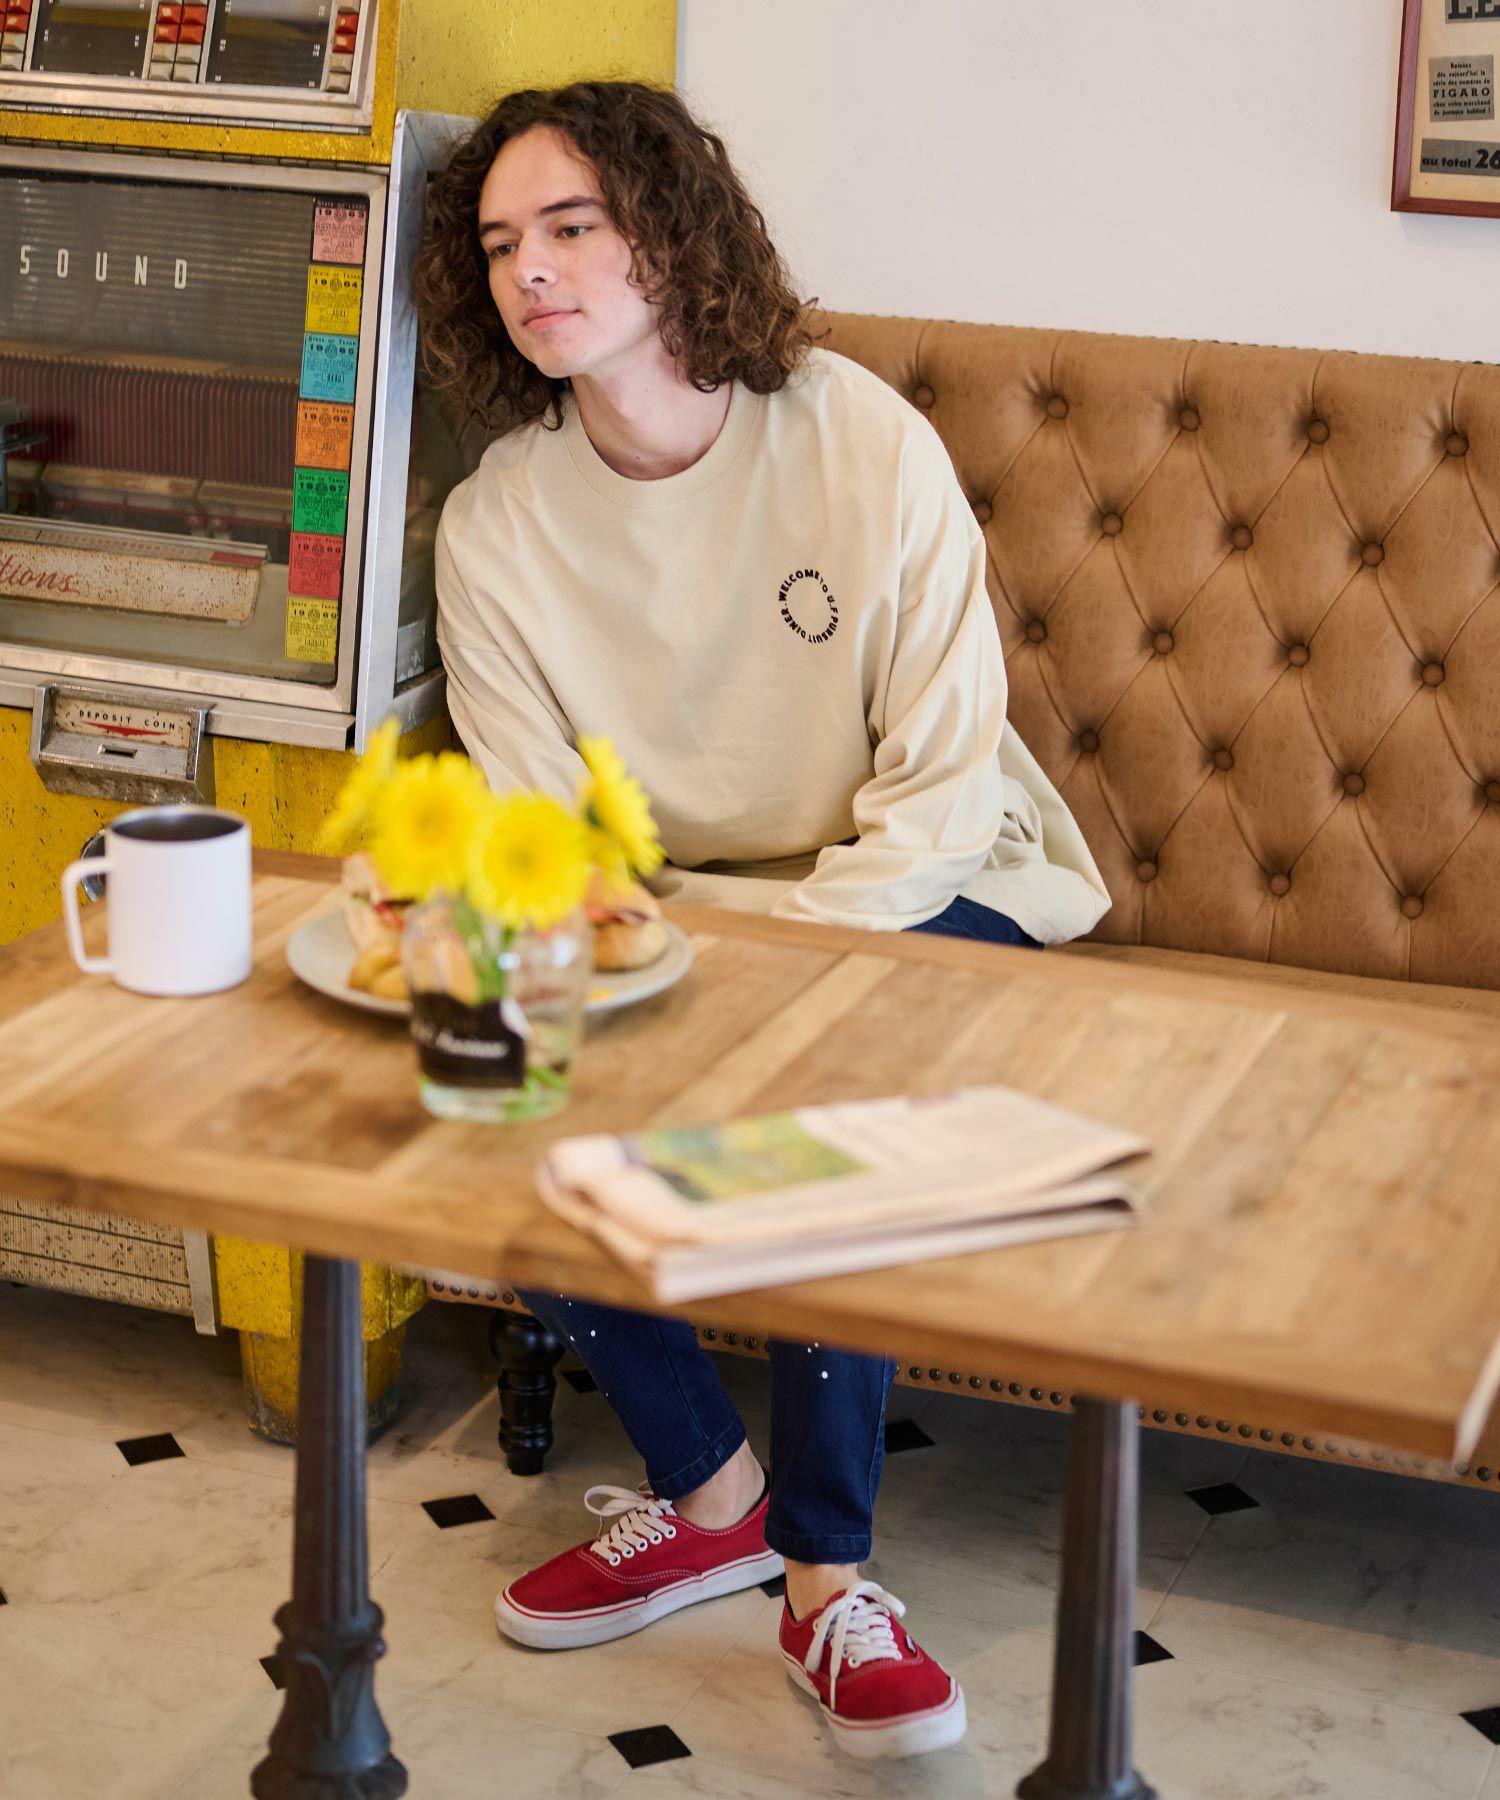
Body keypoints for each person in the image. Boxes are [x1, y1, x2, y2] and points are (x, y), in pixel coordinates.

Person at [414, 79, 1110, 1762]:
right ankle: (710, 1492)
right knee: (480, 1063)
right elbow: (548, 838)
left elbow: (940, 779)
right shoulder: (497, 525)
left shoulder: (857, 439)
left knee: (830, 1102)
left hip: (933, 879)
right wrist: (632, 964)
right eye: (501, 244)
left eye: (571, 224)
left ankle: (823, 1579)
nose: (531, 269)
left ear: (670, 233)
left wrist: (780, 981)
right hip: (683, 914)